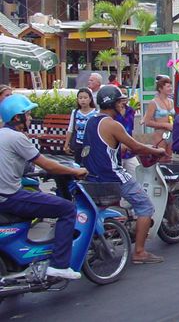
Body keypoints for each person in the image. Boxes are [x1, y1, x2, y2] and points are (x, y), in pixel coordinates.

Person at [0, 94, 88, 280]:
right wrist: (74, 172)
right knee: (67, 208)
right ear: (17, 117)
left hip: (5, 194)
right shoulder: (17, 138)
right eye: (29, 114)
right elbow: (46, 164)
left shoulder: (2, 134)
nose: (31, 118)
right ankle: (59, 265)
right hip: (10, 196)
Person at [82, 85, 167, 264]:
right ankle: (140, 252)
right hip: (113, 177)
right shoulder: (113, 124)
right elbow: (135, 146)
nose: (123, 106)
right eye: (120, 103)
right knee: (145, 207)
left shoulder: (91, 121)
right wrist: (155, 151)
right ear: (112, 104)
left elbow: (108, 146)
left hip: (92, 177)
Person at [63, 88, 97, 163]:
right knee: (78, 164)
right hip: (78, 144)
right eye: (80, 98)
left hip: (91, 144)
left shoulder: (96, 113)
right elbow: (70, 129)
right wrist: (66, 144)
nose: (83, 100)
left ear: (90, 99)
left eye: (85, 98)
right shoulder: (75, 112)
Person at [142, 76, 175, 146]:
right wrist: (164, 125)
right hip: (160, 135)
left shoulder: (171, 101)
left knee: (171, 156)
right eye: (168, 87)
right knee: (161, 155)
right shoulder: (153, 102)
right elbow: (147, 122)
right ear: (160, 89)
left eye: (171, 86)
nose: (171, 89)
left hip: (171, 134)